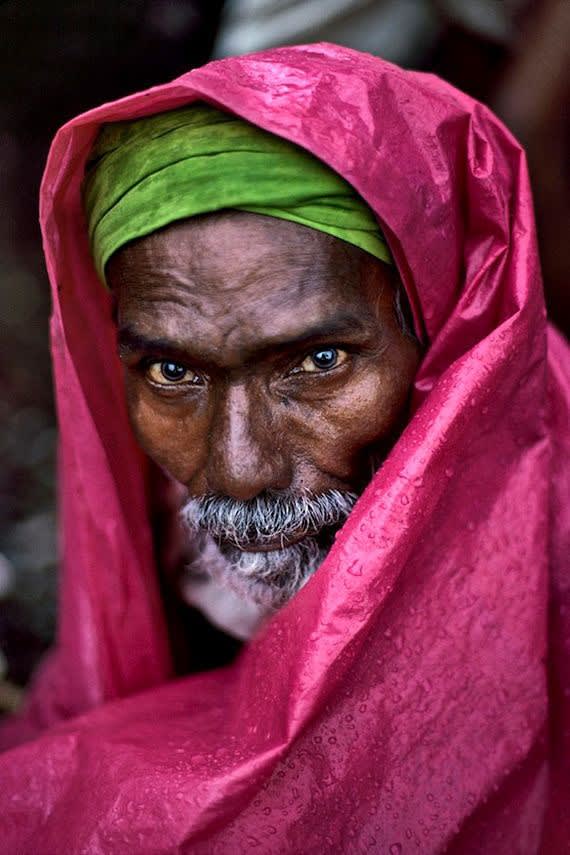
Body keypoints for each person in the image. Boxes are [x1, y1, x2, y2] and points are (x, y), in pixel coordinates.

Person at [0, 43, 568, 852]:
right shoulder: (169, 516)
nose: (238, 465)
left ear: (444, 326)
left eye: (318, 361)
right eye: (171, 369)